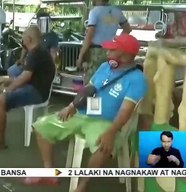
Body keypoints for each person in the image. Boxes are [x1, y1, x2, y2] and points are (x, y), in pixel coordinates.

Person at [26, 34, 147, 190]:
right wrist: (71, 106)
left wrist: (111, 132)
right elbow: (87, 91)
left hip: (106, 122)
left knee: (102, 148)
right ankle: (49, 172)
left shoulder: (137, 79)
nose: (107, 53)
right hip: (83, 112)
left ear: (125, 55)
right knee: (41, 126)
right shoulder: (105, 67)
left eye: (112, 50)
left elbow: (125, 111)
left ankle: (83, 184)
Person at [0, 26, 55, 150]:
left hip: (36, 92)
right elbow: (27, 76)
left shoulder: (35, 54)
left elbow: (25, 77)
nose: (22, 40)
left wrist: (8, 89)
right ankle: (0, 137)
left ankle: (0, 141)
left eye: (23, 37)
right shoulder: (39, 52)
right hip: (37, 89)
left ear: (29, 39)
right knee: (2, 96)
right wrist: (7, 81)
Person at [77, 0, 132, 84]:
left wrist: (81, 55)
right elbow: (127, 29)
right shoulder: (117, 12)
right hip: (110, 51)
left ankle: (92, 101)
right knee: (105, 81)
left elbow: (89, 36)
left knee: (91, 83)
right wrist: (118, 42)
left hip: (95, 52)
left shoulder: (94, 12)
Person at [7, 11, 59, 78]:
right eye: (39, 21)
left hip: (42, 63)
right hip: (29, 61)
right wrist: (21, 59)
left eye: (44, 21)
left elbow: (53, 54)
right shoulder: (33, 32)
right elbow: (25, 47)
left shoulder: (52, 36)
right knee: (11, 71)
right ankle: (18, 86)